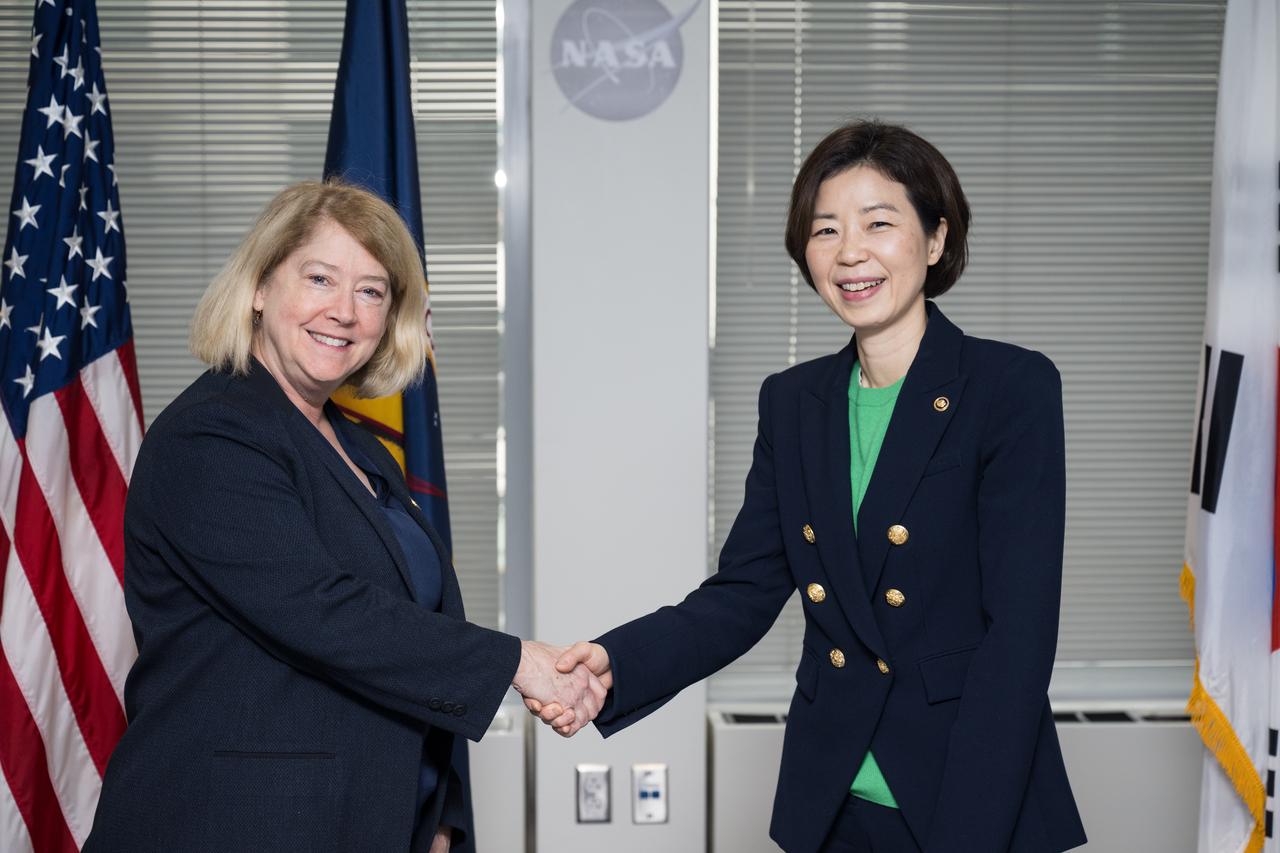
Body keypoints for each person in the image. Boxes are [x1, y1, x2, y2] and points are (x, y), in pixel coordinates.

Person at [534, 121, 1088, 853]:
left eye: (879, 223)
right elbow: (743, 594)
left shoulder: (1009, 387)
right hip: (831, 802)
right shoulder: (795, 402)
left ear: (936, 238)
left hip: (967, 795)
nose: (850, 251)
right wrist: (618, 662)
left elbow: (1017, 641)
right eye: (825, 230)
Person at [83, 180, 603, 853]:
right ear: (262, 287)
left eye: (372, 291)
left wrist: (440, 816)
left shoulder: (364, 450)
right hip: (234, 825)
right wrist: (518, 661)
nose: (345, 311)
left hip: (373, 819)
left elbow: (417, 629)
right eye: (321, 277)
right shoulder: (209, 436)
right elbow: (322, 611)